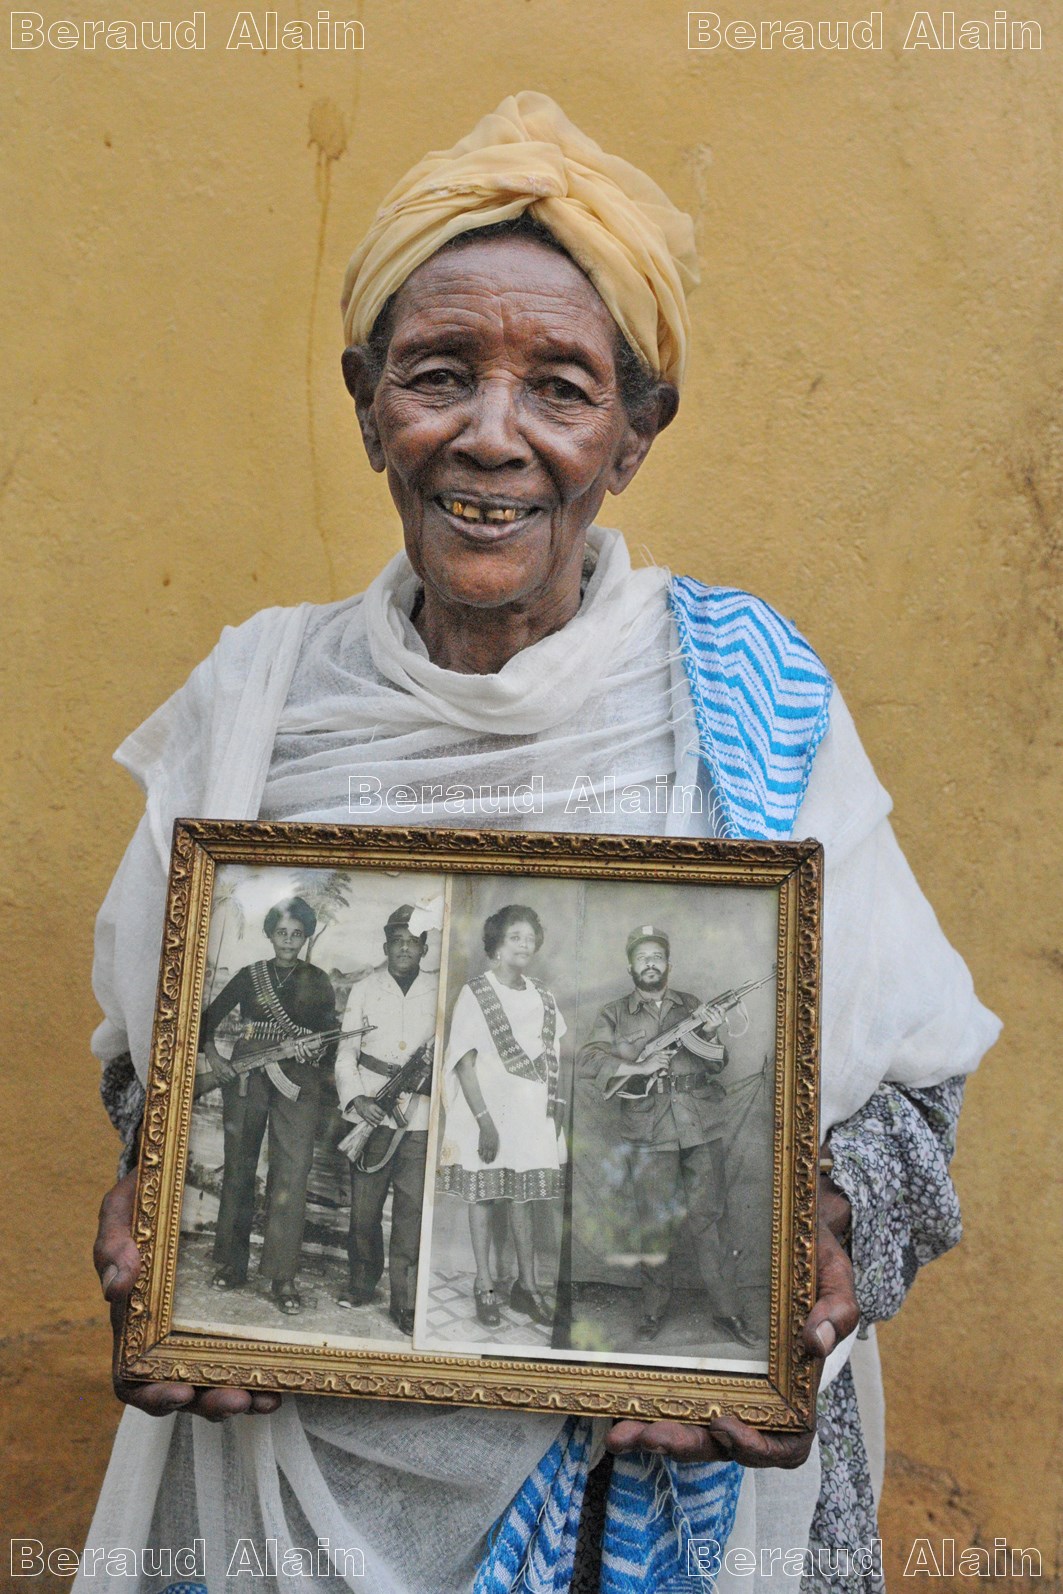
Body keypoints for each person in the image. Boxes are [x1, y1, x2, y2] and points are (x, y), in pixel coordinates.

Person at [85, 92, 1000, 1594]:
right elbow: (156, 1056)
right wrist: (159, 1222)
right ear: (365, 395)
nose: (490, 437)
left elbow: (905, 1087)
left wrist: (810, 1245)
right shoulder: (253, 704)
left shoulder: (746, 703)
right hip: (289, 1476)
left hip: (638, 1498)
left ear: (634, 436)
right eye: (437, 374)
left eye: (561, 388)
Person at [577, 924, 754, 1348]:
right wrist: (637, 1067)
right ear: (630, 966)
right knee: (653, 1224)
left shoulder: (692, 1006)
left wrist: (709, 1034)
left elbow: (717, 1064)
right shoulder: (614, 1014)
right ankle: (653, 1310)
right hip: (648, 1129)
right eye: (643, 957)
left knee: (710, 1220)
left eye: (657, 956)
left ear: (668, 965)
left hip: (699, 1126)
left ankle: (727, 1312)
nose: (650, 963)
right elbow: (587, 1058)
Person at [199, 895, 338, 1314]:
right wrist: (215, 1058)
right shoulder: (249, 975)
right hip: (246, 1076)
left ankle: (282, 1277)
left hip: (298, 1080)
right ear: (270, 934)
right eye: (281, 932)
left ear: (306, 936)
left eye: (297, 933)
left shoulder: (318, 980)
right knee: (239, 1167)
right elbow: (207, 1017)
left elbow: (330, 1040)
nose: (288, 940)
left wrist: (311, 1050)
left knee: (292, 1176)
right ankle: (232, 1264)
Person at [438, 905, 567, 1329]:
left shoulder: (544, 995)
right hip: (486, 1111)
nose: (524, 944)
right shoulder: (476, 991)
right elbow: (463, 1062)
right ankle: (485, 1286)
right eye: (515, 936)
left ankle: (526, 1289)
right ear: (496, 943)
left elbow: (552, 1061)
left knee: (523, 1199)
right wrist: (484, 1121)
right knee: (484, 1196)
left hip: (530, 1115)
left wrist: (553, 1116)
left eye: (530, 937)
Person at [333, 904, 437, 1334]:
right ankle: (362, 1282)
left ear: (424, 948)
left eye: (413, 942)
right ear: (386, 946)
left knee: (411, 1215)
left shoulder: (439, 987)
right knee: (364, 1214)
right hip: (373, 1113)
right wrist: (358, 1100)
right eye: (397, 942)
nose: (404, 949)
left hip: (418, 1118)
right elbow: (345, 1052)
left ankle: (405, 1301)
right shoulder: (365, 988)